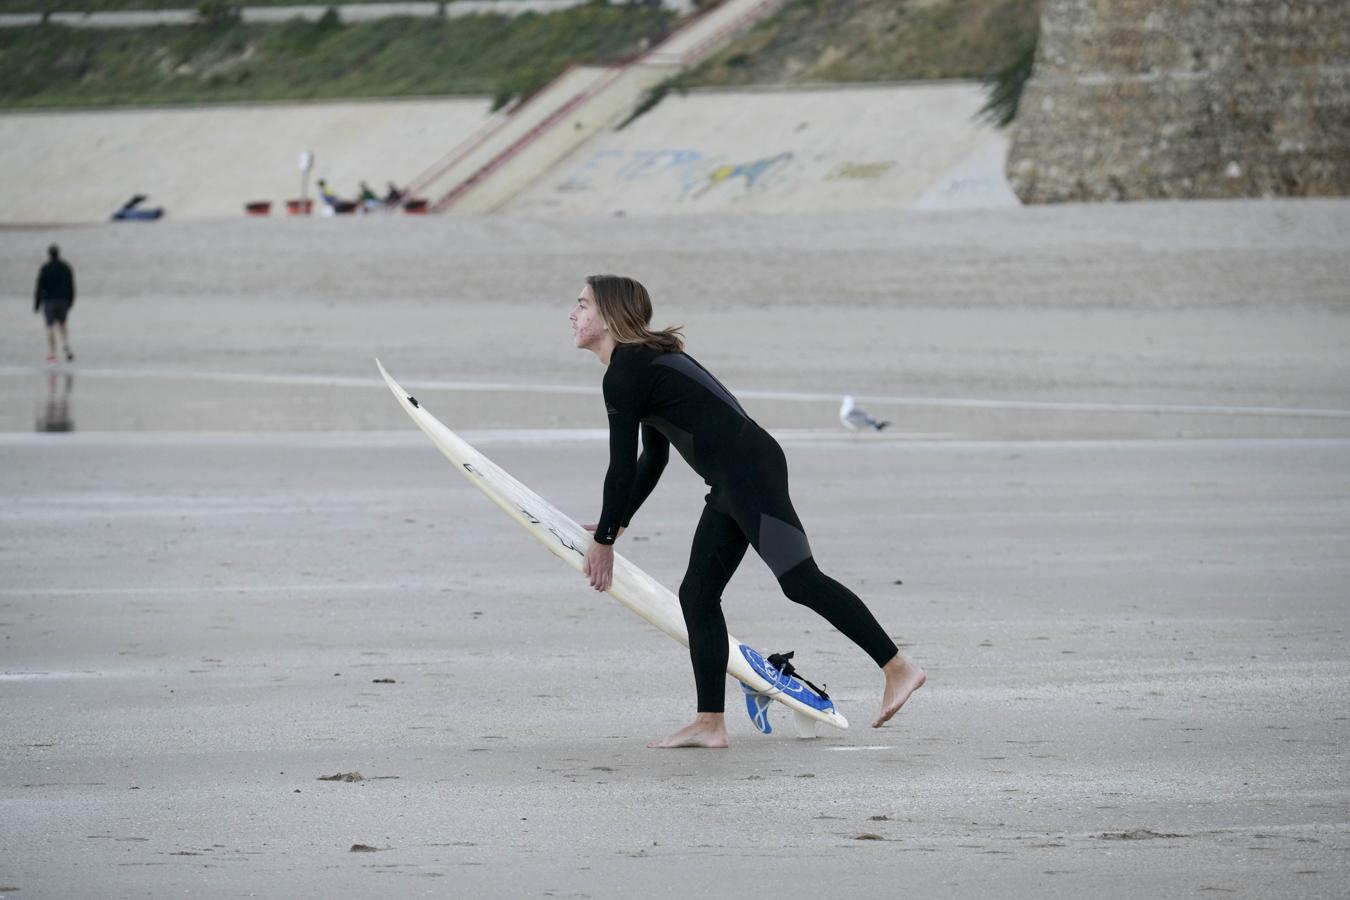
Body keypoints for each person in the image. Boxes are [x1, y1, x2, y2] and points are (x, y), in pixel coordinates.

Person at [571, 275, 925, 749]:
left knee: (800, 580)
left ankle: (898, 667)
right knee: (696, 594)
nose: (573, 315)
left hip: (747, 473)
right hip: (735, 477)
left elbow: (619, 465)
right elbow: (652, 458)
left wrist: (606, 540)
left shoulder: (628, 369)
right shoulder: (641, 363)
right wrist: (620, 519)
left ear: (610, 316)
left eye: (582, 305)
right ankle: (710, 723)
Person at [34, 244, 76, 364]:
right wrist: (71, 300)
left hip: (49, 301)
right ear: (59, 253)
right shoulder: (66, 267)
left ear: (49, 254)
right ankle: (67, 346)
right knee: (63, 324)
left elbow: (39, 286)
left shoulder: (45, 268)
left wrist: (37, 303)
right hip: (63, 300)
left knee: (50, 327)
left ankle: (52, 354)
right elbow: (71, 286)